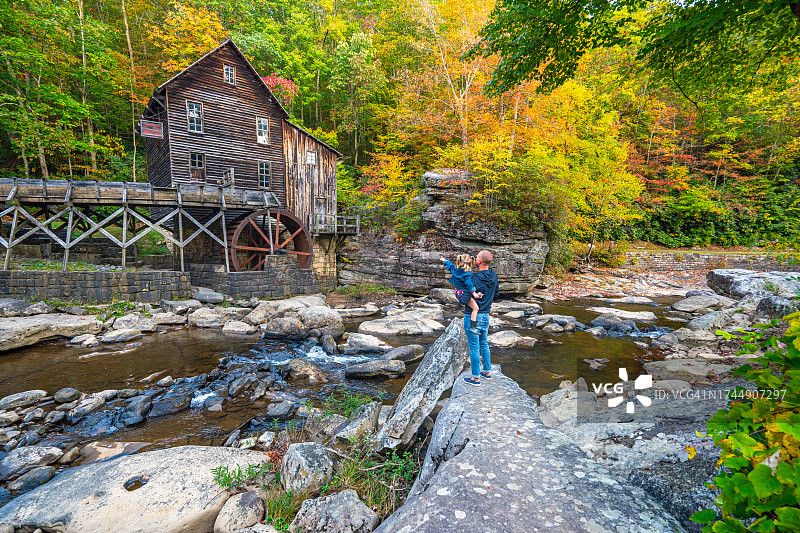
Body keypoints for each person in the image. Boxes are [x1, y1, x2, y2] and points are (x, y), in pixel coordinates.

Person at [462, 250, 499, 387]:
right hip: (485, 315)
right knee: (484, 343)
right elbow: (496, 294)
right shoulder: (494, 276)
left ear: (479, 262)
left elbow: (464, 297)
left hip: (472, 315)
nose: (475, 258)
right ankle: (487, 372)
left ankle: (475, 378)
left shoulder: (473, 278)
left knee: (474, 347)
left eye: (476, 257)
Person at [440, 254, 483, 335]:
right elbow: (469, 284)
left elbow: (449, 265)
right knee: (476, 308)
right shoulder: (468, 274)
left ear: (459, 262)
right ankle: (473, 327)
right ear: (471, 263)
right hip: (464, 295)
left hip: (458, 293)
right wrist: (475, 294)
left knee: (473, 300)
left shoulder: (455, 268)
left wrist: (444, 260)